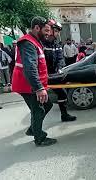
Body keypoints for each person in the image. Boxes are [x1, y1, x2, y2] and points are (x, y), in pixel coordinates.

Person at [12, 16, 57, 147]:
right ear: (37, 28)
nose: (48, 34)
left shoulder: (34, 41)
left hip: (32, 84)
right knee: (38, 110)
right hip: (28, 85)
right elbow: (30, 67)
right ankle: (39, 138)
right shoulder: (28, 43)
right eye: (46, 30)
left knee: (47, 105)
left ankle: (33, 128)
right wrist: (39, 88)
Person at [43, 19, 77, 122]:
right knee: (42, 103)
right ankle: (35, 125)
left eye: (58, 31)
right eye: (56, 31)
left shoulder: (56, 45)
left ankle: (64, 115)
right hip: (43, 76)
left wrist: (59, 67)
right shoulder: (42, 44)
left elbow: (60, 58)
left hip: (54, 74)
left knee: (62, 94)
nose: (58, 33)